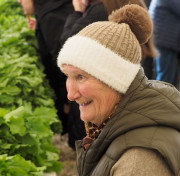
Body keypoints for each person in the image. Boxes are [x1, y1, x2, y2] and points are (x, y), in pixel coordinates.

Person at [57, 4, 180, 175]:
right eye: (67, 76)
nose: (71, 94)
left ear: (116, 80)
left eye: (80, 77)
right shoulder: (108, 125)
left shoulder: (136, 164)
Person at [18, 0, 76, 137]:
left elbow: (63, 66)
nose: (19, 1)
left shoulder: (52, 17)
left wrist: (66, 103)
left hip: (74, 96)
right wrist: (40, 30)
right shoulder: (51, 11)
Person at [149, 0, 180, 86]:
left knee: (169, 79)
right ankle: (160, 99)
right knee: (166, 80)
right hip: (166, 43)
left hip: (165, 41)